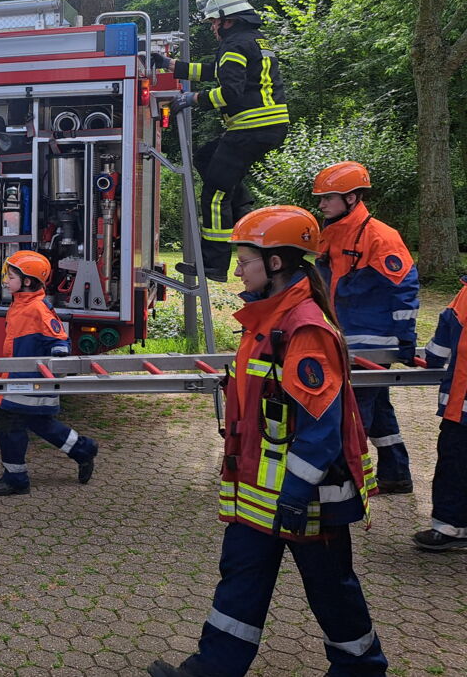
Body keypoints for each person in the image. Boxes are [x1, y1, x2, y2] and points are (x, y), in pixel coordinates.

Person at [148, 206, 386, 677]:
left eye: (246, 258)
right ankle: (212, 668)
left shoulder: (303, 327)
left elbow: (321, 427)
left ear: (276, 262)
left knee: (331, 588)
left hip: (307, 497)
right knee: (241, 577)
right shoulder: (267, 318)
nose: (238, 267)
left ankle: (362, 668)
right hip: (260, 493)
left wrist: (296, 495)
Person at [155, 0, 289, 283]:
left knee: (215, 195)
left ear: (228, 21)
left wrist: (193, 99)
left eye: (214, 22)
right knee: (205, 158)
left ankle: (212, 265)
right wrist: (169, 65)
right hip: (267, 126)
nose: (213, 27)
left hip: (249, 128)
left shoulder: (233, 45)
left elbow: (230, 92)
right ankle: (242, 210)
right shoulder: (252, 41)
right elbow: (215, 71)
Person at [313, 160, 417, 494]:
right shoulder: (329, 233)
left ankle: (348, 482)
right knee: (378, 407)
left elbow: (404, 287)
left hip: (370, 342)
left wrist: (405, 339)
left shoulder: (380, 236)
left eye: (328, 197)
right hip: (344, 337)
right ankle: (396, 473)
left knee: (355, 412)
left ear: (353, 198)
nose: (322, 204)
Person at [0, 251, 98, 495]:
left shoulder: (37, 309)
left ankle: (16, 479)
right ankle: (83, 448)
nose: (5, 280)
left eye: (10, 275)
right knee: (41, 424)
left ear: (26, 281)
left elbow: (59, 341)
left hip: (29, 381)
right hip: (20, 378)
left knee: (12, 429)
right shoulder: (21, 303)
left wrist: (56, 360)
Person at [413, 276, 467, 551]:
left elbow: (441, 346)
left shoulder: (465, 297)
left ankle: (449, 527)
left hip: (464, 408)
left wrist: (430, 360)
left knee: (455, 465)